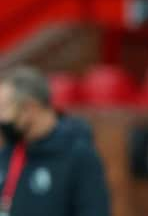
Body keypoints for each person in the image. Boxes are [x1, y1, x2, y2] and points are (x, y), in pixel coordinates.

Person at [0, 66, 111, 216]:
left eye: (4, 108)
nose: (1, 118)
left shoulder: (79, 156)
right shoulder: (8, 153)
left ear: (30, 109)